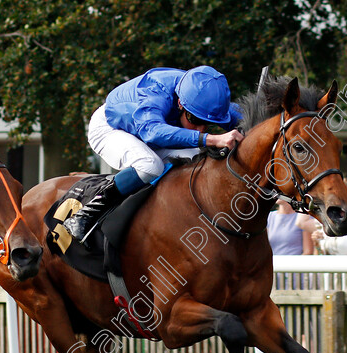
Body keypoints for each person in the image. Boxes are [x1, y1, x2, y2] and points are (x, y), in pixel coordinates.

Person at [63, 66, 244, 240]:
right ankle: (85, 215)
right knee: (150, 166)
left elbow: (242, 116)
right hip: (111, 127)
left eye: (206, 123)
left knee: (196, 160)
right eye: (195, 119)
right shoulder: (156, 89)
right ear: (180, 103)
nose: (200, 127)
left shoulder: (202, 95)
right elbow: (152, 131)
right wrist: (210, 138)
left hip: (152, 132)